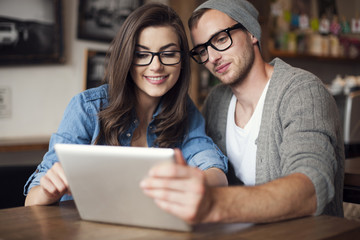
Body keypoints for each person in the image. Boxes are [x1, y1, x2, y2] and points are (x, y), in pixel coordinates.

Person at [140, 0, 345, 224]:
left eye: (221, 39)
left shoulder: (302, 91)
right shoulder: (215, 102)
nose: (213, 58)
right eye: (202, 50)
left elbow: (311, 189)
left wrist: (215, 202)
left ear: (251, 33)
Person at [24, 3, 228, 207]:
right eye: (141, 55)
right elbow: (31, 202)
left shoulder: (184, 110)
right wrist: (49, 190)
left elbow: (213, 168)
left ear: (182, 60)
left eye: (168, 54)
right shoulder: (87, 108)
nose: (156, 66)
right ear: (127, 58)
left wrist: (199, 181)